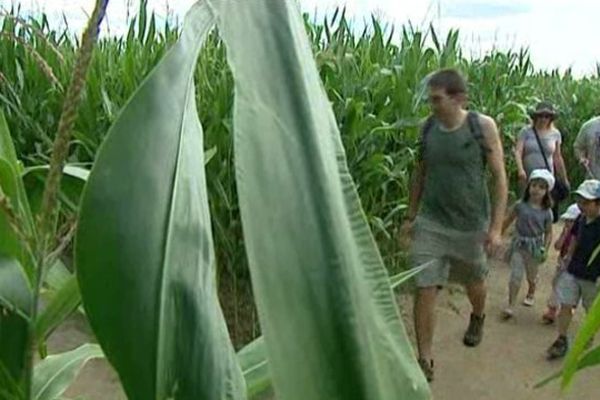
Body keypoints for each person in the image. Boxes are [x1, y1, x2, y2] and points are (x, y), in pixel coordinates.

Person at [400, 68, 508, 382]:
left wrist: (496, 228)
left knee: (474, 283)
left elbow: (500, 178)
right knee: (425, 287)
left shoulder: (481, 127)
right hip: (432, 223)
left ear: (459, 98)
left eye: (437, 99)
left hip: (470, 225)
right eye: (430, 99)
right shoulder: (427, 129)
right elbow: (419, 174)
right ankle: (425, 358)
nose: (432, 105)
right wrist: (410, 216)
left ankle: (478, 314)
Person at [547, 180, 600, 359]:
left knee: (590, 309)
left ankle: (589, 335)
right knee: (566, 305)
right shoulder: (581, 218)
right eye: (580, 201)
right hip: (573, 269)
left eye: (587, 202)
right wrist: (566, 259)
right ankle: (561, 339)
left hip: (593, 277)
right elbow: (575, 238)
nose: (582, 205)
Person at [501, 169, 554, 319]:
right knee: (515, 275)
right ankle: (511, 305)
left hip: (535, 248)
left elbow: (549, 232)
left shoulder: (547, 212)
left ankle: (531, 289)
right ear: (529, 187)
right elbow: (508, 220)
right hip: (519, 244)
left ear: (546, 192)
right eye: (534, 185)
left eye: (541, 187)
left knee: (531, 275)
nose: (536, 189)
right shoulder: (520, 205)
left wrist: (545, 247)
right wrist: (499, 234)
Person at [514, 101, 570, 221]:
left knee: (544, 206)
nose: (543, 118)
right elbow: (518, 151)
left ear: (551, 118)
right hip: (527, 176)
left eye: (547, 116)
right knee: (525, 204)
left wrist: (564, 178)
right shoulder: (526, 132)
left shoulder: (555, 134)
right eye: (540, 115)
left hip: (546, 177)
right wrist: (520, 170)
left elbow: (557, 157)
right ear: (535, 117)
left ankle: (543, 232)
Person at [541, 203, 580, 324]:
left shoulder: (583, 235)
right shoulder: (567, 233)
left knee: (571, 289)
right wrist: (564, 234)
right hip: (562, 264)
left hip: (574, 267)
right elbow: (557, 246)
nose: (568, 223)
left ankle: (567, 308)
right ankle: (552, 310)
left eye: (571, 221)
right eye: (567, 221)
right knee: (556, 285)